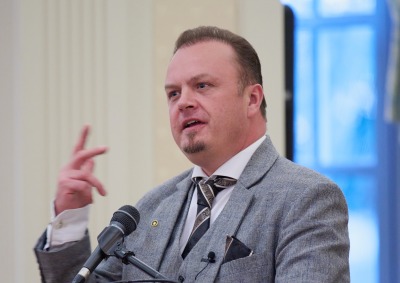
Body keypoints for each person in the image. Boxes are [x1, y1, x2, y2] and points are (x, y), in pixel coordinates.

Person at [34, 26, 350, 282]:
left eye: (202, 86)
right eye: (173, 93)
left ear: (252, 99)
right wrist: (70, 217)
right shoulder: (148, 209)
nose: (183, 102)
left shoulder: (307, 199)